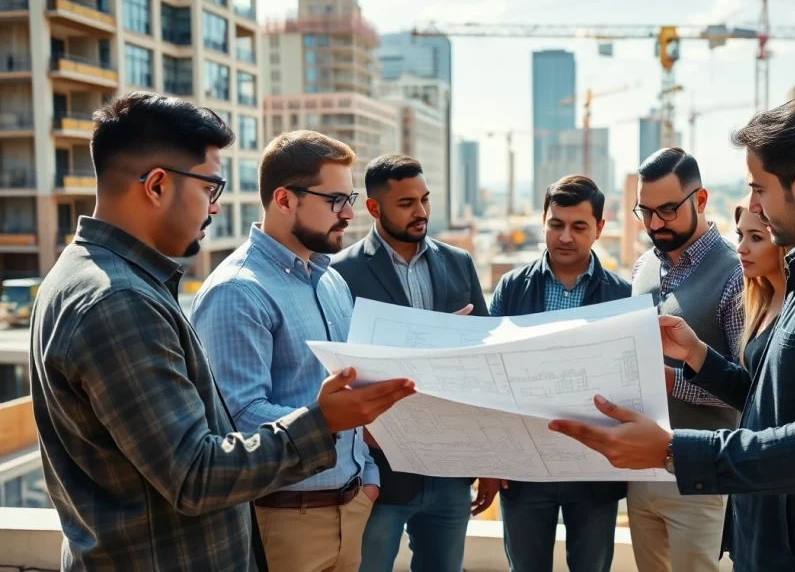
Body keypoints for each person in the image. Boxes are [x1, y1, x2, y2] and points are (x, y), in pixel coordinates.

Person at [28, 92, 415, 571]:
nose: (214, 208)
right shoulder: (117, 300)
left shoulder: (93, 278)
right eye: (211, 189)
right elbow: (195, 474)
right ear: (156, 186)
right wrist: (323, 422)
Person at [549, 98, 795, 572]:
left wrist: (671, 450)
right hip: (774, 544)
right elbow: (774, 402)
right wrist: (701, 357)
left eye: (759, 188)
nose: (753, 207)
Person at [191, 131, 383, 572]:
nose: (350, 214)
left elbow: (350, 384)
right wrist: (328, 420)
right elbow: (236, 419)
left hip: (352, 505)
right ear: (284, 200)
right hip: (283, 519)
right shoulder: (237, 291)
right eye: (336, 200)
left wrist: (367, 480)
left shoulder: (331, 279)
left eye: (349, 197)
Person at [330, 153, 498, 572]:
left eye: (424, 199)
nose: (421, 211)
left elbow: (488, 363)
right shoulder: (340, 273)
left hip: (452, 470)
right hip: (381, 473)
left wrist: (492, 458)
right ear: (373, 208)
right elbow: (337, 370)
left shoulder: (459, 263)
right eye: (406, 203)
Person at [488, 175, 630, 572]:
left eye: (579, 226)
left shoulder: (623, 296)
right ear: (544, 221)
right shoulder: (511, 288)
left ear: (600, 229)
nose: (565, 236)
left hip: (595, 466)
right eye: (556, 224)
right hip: (525, 465)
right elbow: (491, 377)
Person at [627, 147, 743, 572]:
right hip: (641, 475)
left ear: (700, 199)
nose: (655, 224)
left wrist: (674, 382)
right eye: (646, 212)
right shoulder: (641, 266)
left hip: (700, 477)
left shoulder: (735, 273)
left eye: (668, 210)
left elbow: (745, 389)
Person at [732, 199, 787, 371]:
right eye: (740, 235)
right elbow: (749, 388)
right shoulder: (762, 300)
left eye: (756, 237)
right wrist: (695, 351)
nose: (741, 248)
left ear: (783, 242)